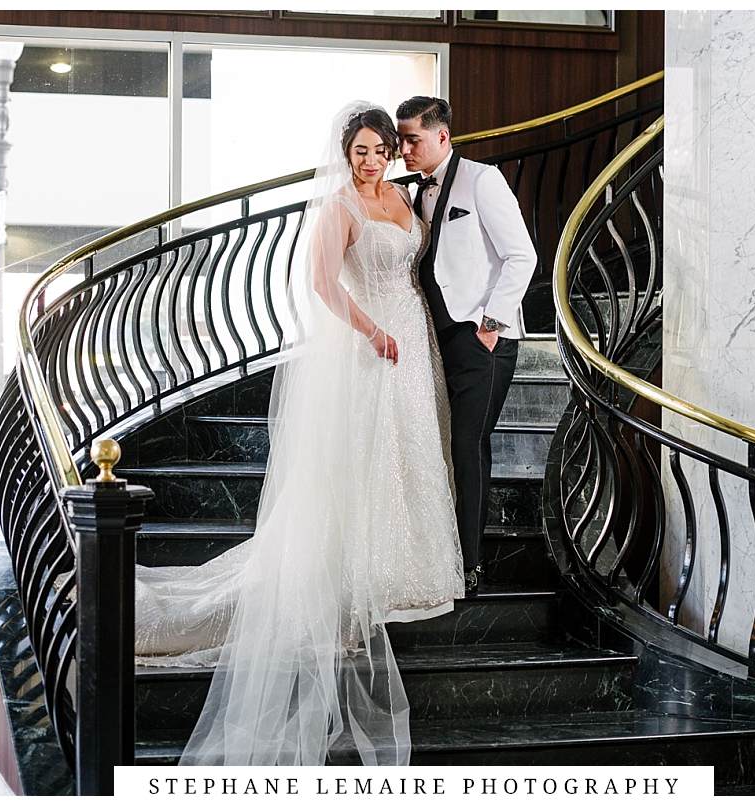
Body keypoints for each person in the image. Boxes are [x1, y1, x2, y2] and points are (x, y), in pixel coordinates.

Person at [133, 102, 464, 765]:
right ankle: (354, 569)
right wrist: (371, 330)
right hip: (372, 345)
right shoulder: (340, 205)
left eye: (380, 150)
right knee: (360, 463)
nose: (372, 160)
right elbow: (318, 281)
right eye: (362, 151)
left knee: (408, 455)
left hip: (413, 338)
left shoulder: (402, 196)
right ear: (346, 152)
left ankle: (410, 565)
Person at [396, 96, 536, 596]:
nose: (403, 149)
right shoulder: (417, 194)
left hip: (483, 340)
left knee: (468, 445)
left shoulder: (482, 180)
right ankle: (443, 554)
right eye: (402, 139)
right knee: (438, 446)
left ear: (442, 136)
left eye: (412, 139)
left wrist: (491, 324)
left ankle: (471, 565)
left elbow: (522, 256)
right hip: (438, 340)